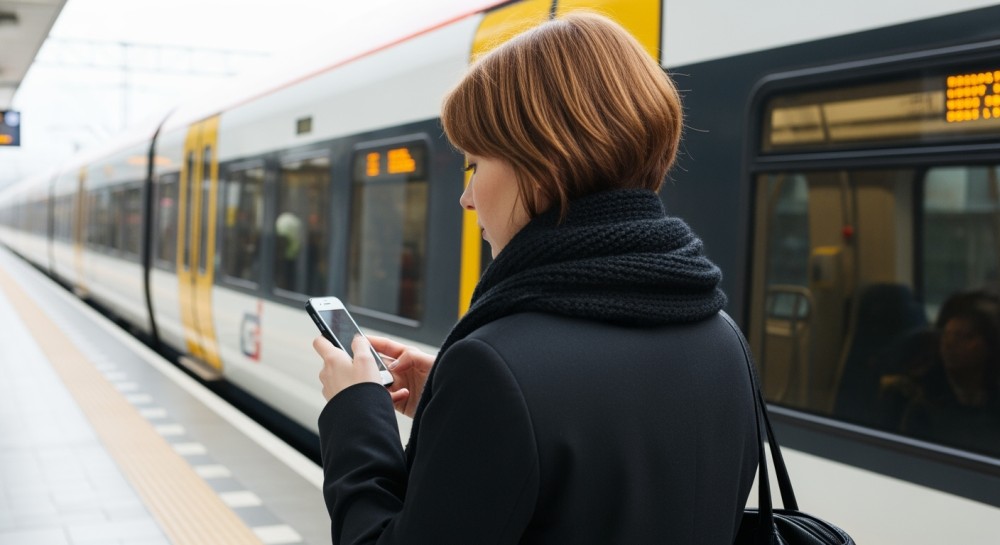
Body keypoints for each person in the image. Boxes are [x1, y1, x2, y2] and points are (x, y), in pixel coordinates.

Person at [311, 12, 758, 544]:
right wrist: (452, 402)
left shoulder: (495, 368)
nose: (467, 196)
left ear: (543, 164)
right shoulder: (723, 338)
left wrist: (356, 414)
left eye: (475, 164)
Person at [878, 289, 1000, 455]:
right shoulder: (912, 397)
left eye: (965, 336)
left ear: (989, 346)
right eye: (947, 335)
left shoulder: (991, 399)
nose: (950, 344)